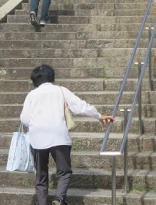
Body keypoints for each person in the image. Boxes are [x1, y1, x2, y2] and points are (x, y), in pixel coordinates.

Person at [20, 64, 114, 205]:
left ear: (35, 80)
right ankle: (59, 198)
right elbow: (80, 106)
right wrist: (99, 115)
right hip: (59, 137)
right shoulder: (60, 91)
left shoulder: (31, 95)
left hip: (38, 139)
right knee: (64, 172)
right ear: (52, 78)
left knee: (41, 175)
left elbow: (25, 119)